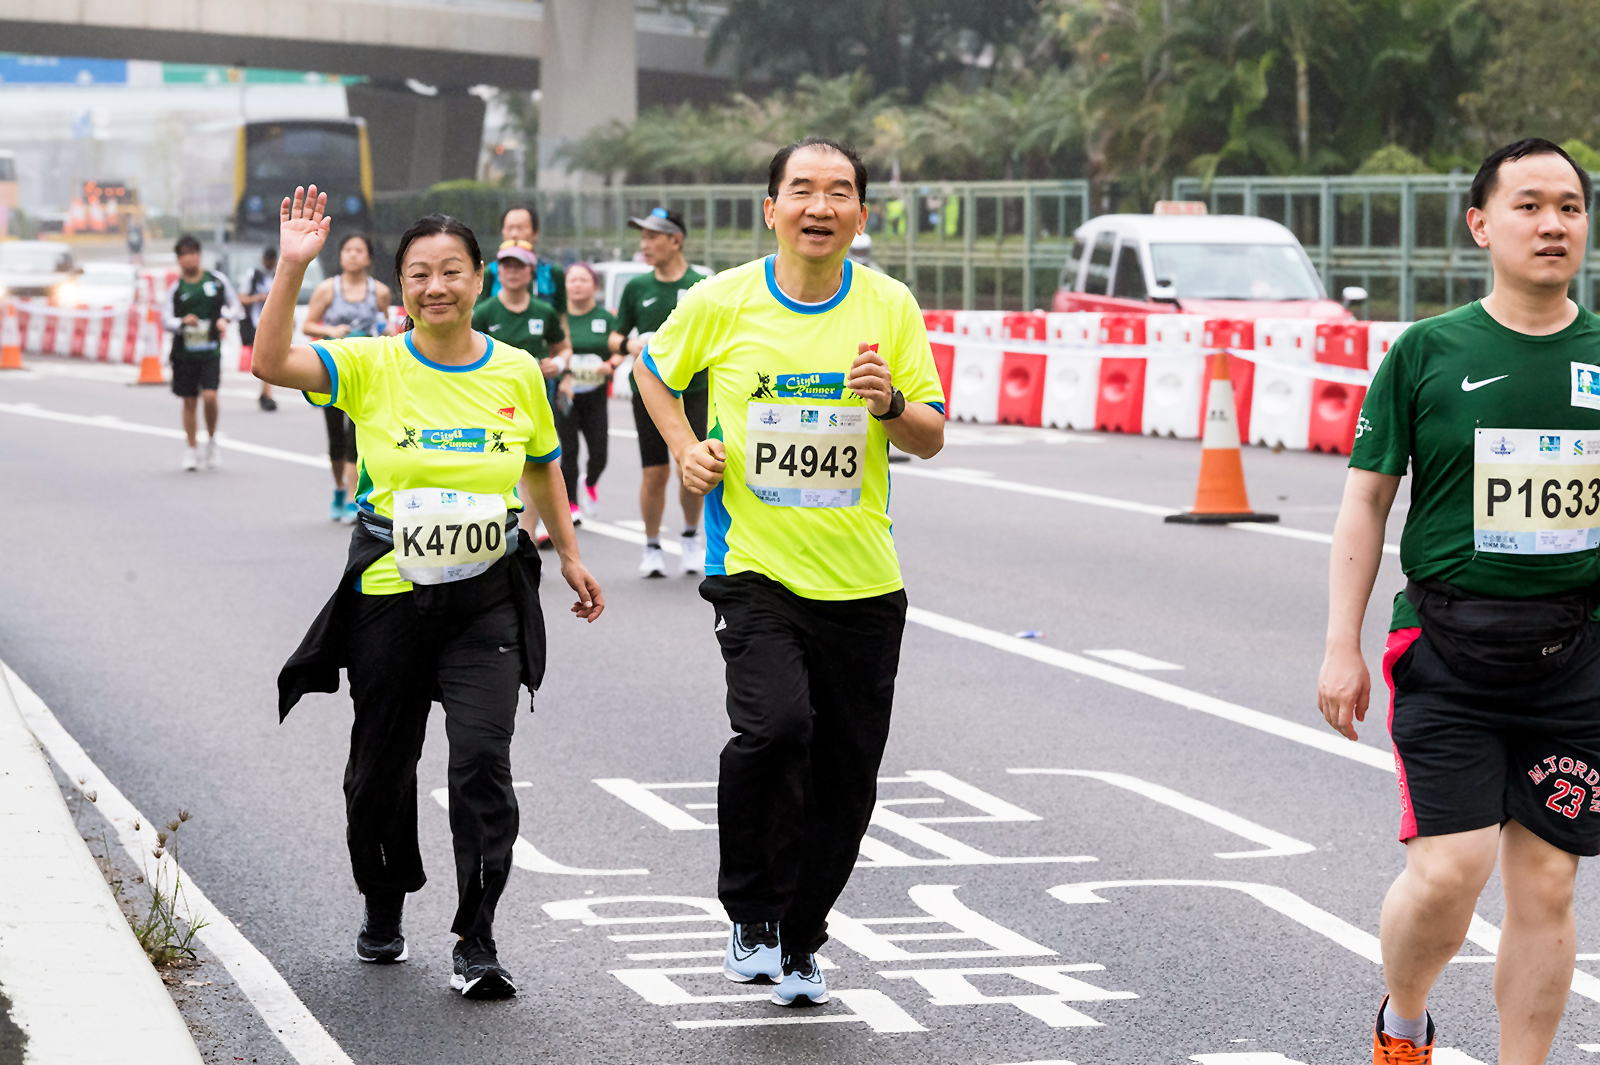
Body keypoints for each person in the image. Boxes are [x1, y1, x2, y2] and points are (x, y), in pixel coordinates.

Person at [256, 188, 604, 1002]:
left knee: (484, 761)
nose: (436, 285)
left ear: (480, 278)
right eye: (420, 274)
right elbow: (273, 362)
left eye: (452, 270)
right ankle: (384, 900)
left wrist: (573, 555)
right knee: (381, 768)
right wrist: (293, 264)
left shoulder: (515, 370)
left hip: (486, 594)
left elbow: (545, 463)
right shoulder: (373, 363)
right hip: (390, 589)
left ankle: (476, 937)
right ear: (400, 286)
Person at [634, 137, 946, 1007]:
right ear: (769, 209)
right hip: (755, 571)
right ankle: (752, 911)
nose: (820, 206)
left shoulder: (889, 305)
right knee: (775, 729)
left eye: (838, 192)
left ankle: (803, 934)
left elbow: (929, 433)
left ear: (859, 214)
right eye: (801, 191)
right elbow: (653, 370)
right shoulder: (721, 300)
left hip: (864, 581)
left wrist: (888, 403)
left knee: (848, 774)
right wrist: (686, 446)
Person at [1318, 138, 1600, 1065]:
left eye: (1568, 204)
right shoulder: (1428, 352)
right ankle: (1404, 1021)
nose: (1552, 222)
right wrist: (1341, 645)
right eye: (1528, 204)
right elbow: (1367, 495)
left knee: (1549, 881)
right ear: (1482, 224)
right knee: (1449, 873)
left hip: (1577, 658)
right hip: (1445, 649)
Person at [610, 207, 711, 577]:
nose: (645, 244)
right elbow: (615, 336)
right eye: (643, 237)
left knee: (693, 466)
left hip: (696, 391)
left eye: (653, 236)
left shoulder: (702, 284)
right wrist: (631, 346)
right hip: (649, 393)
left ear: (676, 240)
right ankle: (651, 546)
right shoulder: (638, 287)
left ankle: (689, 537)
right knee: (654, 473)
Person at [473, 240, 570, 545]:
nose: (512, 272)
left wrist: (557, 364)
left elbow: (563, 347)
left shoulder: (545, 311)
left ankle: (522, 540)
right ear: (497, 272)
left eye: (519, 266)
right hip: (490, 403)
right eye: (506, 265)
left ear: (531, 272)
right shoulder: (484, 312)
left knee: (534, 467)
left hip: (534, 402)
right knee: (494, 467)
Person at [303, 234, 392, 522]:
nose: (353, 255)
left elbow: (384, 323)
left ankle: (355, 498)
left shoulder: (379, 291)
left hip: (367, 374)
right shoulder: (329, 289)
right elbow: (307, 324)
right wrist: (331, 331)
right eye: (348, 250)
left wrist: (389, 333)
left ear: (368, 257)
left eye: (359, 250)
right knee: (336, 438)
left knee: (359, 435)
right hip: (333, 372)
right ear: (341, 256)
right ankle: (339, 489)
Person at [163, 234, 241, 471]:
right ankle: (191, 448)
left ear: (199, 255)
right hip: (185, 352)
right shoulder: (176, 289)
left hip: (210, 349)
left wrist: (224, 320)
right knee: (189, 400)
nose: (189, 259)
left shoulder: (216, 281)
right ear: (178, 259)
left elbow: (235, 306)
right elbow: (165, 319)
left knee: (210, 396)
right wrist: (182, 322)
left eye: (193, 253)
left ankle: (212, 440)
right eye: (184, 255)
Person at [556, 262, 621, 521]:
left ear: (595, 286)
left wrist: (610, 365)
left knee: (599, 454)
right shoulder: (559, 318)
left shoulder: (605, 319)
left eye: (583, 280)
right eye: (572, 280)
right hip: (565, 395)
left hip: (595, 396)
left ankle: (591, 481)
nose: (577, 285)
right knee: (568, 451)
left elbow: (619, 349)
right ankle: (571, 505)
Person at [478, 204, 565, 323]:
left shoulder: (552, 272)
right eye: (509, 228)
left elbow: (561, 319)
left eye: (520, 228)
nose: (514, 234)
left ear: (535, 233)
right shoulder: (489, 273)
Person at [237, 247, 280, 412]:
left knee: (269, 357)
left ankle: (266, 393)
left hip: (275, 322)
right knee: (264, 357)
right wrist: (258, 298)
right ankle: (266, 394)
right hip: (256, 322)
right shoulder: (253, 276)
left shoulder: (278, 275)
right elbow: (241, 298)